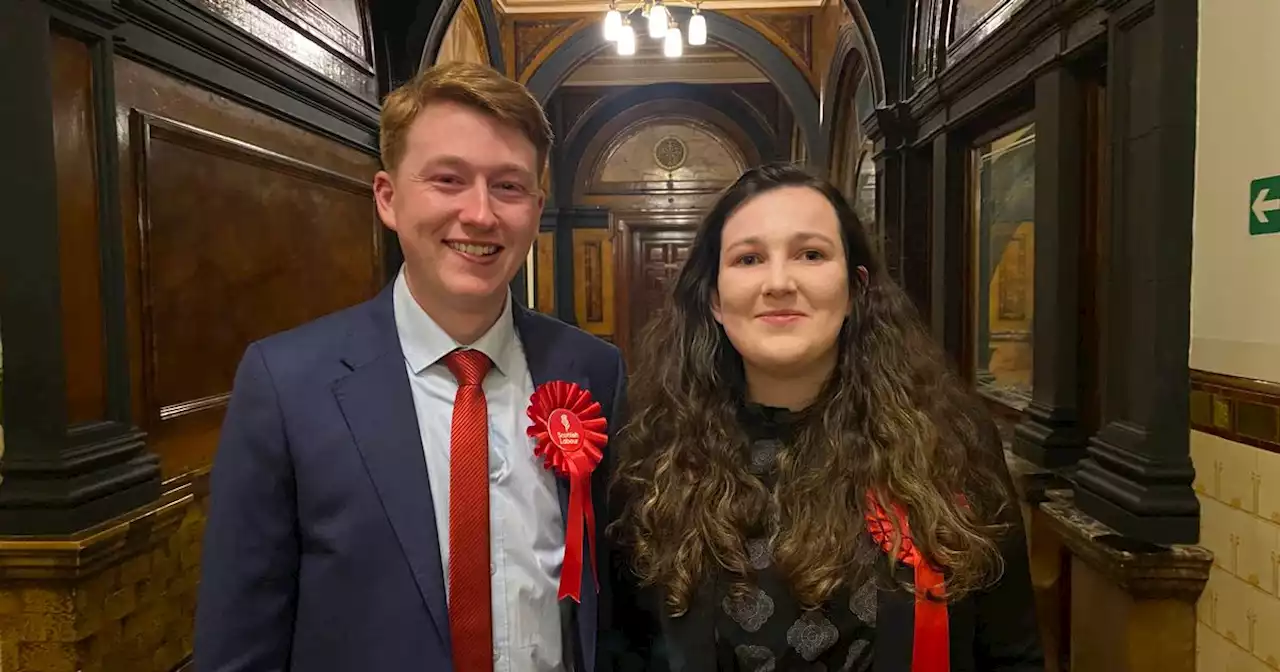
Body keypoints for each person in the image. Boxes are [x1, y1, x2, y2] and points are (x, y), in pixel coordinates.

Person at [195, 61, 628, 672]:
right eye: (448, 179)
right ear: (388, 198)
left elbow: (614, 605)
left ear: (536, 206)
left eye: (508, 186)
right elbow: (241, 637)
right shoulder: (287, 384)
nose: (480, 214)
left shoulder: (592, 371)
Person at [609, 163, 1043, 671]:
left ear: (856, 288)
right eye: (749, 258)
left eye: (810, 254)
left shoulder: (949, 439)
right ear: (715, 301)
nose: (778, 282)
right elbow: (626, 649)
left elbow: (1012, 654)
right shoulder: (652, 449)